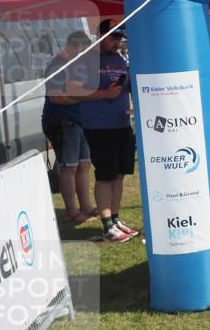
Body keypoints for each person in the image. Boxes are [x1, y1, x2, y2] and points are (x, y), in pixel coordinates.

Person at [41, 31, 118, 224]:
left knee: (84, 164)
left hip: (78, 120)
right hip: (61, 121)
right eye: (82, 51)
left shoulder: (74, 65)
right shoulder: (57, 66)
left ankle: (86, 207)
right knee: (69, 167)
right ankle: (72, 211)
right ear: (72, 47)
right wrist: (91, 97)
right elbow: (57, 97)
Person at [80, 20, 139, 243]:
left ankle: (115, 218)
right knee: (105, 175)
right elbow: (75, 92)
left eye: (120, 38)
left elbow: (127, 85)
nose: (117, 42)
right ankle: (106, 225)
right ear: (100, 35)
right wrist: (104, 94)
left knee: (120, 174)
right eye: (113, 37)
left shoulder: (119, 58)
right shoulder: (86, 60)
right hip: (99, 126)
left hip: (122, 123)